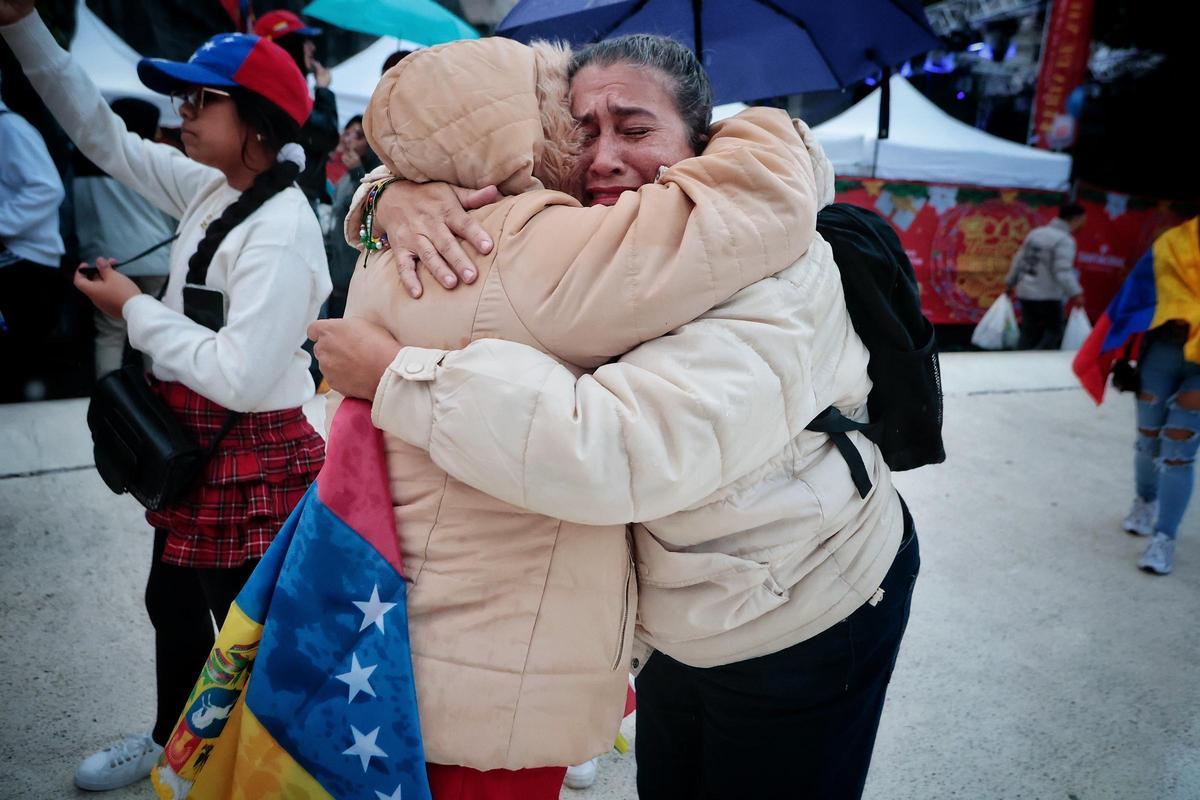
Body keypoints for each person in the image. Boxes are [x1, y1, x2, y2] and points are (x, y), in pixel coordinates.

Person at [316, 34, 916, 800]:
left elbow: (618, 451)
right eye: (580, 130)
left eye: (635, 131)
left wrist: (400, 377)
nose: (601, 157)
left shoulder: (774, 271)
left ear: (702, 141)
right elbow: (459, 159)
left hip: (804, 607)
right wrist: (390, 195)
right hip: (681, 614)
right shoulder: (603, 243)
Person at [0, 3, 330, 792]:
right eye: (183, 99)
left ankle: (264, 768)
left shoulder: (282, 229)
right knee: (173, 601)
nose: (181, 113)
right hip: (198, 442)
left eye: (198, 100)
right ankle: (170, 741)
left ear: (254, 121)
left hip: (253, 447)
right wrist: (23, 27)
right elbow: (101, 135)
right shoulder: (215, 187)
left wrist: (130, 309)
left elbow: (242, 376)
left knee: (247, 630)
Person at [1118, 217, 1200, 575]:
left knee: (1179, 450)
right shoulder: (1173, 241)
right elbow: (1139, 293)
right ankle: (1145, 502)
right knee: (1147, 439)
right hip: (1163, 349)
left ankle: (1164, 537)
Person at [73, 97, 177, 377]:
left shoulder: (84, 162)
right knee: (154, 330)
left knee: (110, 332)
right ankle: (157, 399)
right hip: (155, 257)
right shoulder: (151, 162)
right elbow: (175, 217)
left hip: (105, 260)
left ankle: (108, 396)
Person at [0, 73, 65, 402]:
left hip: (27, 261)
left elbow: (48, 187)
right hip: (21, 260)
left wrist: (2, 224)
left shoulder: (8, 128)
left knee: (20, 354)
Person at [253, 9, 339, 208]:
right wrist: (324, 90)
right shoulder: (276, 88)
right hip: (288, 196)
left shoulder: (282, 86)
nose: (311, 48)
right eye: (303, 40)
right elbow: (325, 135)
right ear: (287, 45)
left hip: (291, 192)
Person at [1005, 202, 1087, 350]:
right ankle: (1037, 362)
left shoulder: (1036, 233)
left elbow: (1018, 259)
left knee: (1028, 332)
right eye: (1083, 220)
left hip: (1025, 291)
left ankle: (1018, 363)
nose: (1083, 224)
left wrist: (1010, 282)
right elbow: (1062, 271)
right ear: (1075, 219)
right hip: (1047, 294)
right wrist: (1076, 293)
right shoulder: (1064, 240)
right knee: (1054, 332)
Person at [323, 114, 378, 320]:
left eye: (359, 135)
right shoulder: (345, 179)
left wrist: (357, 172)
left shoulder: (376, 176)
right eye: (347, 133)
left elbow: (372, 210)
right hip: (335, 278)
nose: (349, 139)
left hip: (358, 281)